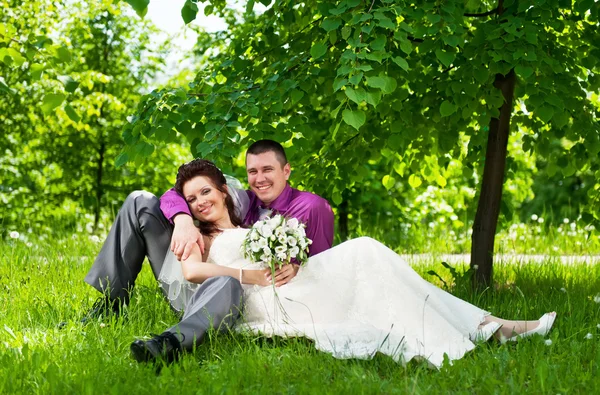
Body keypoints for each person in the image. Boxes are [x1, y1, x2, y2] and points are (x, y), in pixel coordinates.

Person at [130, 159, 557, 368]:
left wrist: (286, 261)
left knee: (368, 253)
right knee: (366, 256)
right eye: (192, 199)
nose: (200, 202)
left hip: (289, 282)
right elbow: (192, 273)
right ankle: (491, 328)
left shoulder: (251, 217)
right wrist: (247, 273)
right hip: (264, 300)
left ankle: (490, 325)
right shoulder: (197, 236)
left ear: (224, 192)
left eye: (206, 193)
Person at [82, 140, 334, 322]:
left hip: (247, 294)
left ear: (286, 171)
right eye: (252, 172)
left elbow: (322, 263)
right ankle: (109, 304)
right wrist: (182, 220)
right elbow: (177, 192)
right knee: (140, 201)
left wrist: (298, 267)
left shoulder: (313, 207)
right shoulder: (244, 199)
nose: (260, 179)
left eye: (268, 170)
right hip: (192, 281)